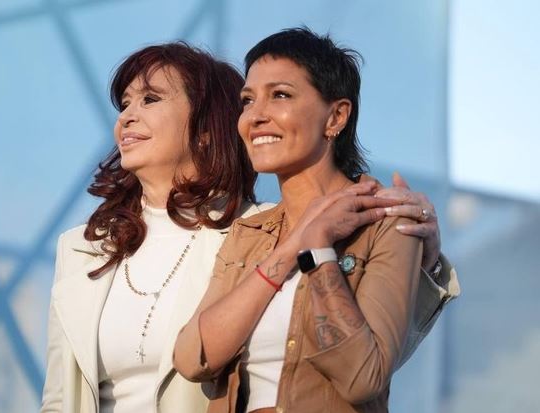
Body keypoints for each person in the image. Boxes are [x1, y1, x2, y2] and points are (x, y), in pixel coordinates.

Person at [41, 41, 457, 413]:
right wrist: (299, 246)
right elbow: (64, 397)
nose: (127, 117)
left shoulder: (247, 224)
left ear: (206, 129)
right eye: (124, 104)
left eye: (150, 99)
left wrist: (424, 263)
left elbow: (367, 367)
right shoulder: (81, 248)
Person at [173, 28, 459, 413]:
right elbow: (192, 359)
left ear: (336, 116)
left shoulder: (387, 221)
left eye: (280, 95)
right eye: (248, 100)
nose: (255, 116)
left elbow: (362, 378)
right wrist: (292, 247)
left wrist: (318, 252)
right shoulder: (249, 232)